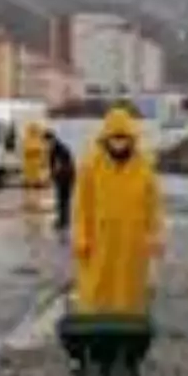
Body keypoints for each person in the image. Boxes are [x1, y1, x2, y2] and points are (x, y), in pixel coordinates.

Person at [72, 106, 164, 316]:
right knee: (97, 287)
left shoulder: (144, 167)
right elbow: (81, 205)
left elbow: (153, 206)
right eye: (115, 137)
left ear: (132, 137)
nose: (119, 142)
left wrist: (156, 235)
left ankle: (127, 327)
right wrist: (81, 236)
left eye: (123, 137)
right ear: (106, 137)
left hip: (133, 240)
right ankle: (96, 327)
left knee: (129, 287)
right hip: (99, 238)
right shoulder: (91, 165)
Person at [44, 129, 75, 235]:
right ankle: (63, 220)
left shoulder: (60, 148)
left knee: (63, 199)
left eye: (46, 142)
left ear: (51, 139)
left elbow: (63, 164)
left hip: (65, 178)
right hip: (62, 177)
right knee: (62, 200)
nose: (46, 145)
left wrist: (55, 175)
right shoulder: (55, 148)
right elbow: (52, 165)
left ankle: (64, 221)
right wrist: (52, 176)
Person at [21, 120, 48, 214]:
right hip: (31, 168)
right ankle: (30, 203)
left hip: (34, 168)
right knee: (30, 187)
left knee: (35, 187)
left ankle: (34, 203)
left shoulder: (34, 141)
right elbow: (43, 154)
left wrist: (44, 163)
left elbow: (44, 154)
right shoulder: (32, 141)